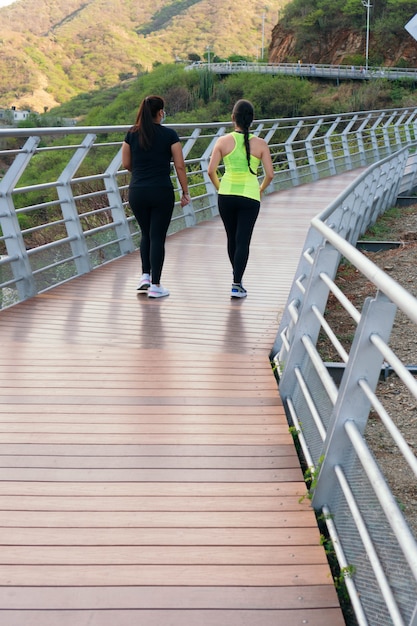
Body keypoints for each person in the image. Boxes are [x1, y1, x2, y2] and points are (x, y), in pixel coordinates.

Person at [122, 95, 190, 298]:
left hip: (138, 191)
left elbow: (126, 163)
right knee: (157, 237)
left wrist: (142, 174)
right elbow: (179, 165)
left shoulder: (131, 134)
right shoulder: (170, 135)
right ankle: (156, 285)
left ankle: (145, 276)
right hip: (161, 190)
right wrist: (185, 192)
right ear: (160, 112)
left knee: (146, 234)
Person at [207, 99, 274, 298]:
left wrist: (221, 189)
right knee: (243, 240)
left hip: (226, 195)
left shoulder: (222, 141)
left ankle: (237, 277)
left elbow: (211, 171)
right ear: (252, 120)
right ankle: (237, 283)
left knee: (231, 239)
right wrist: (260, 189)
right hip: (250, 197)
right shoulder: (261, 144)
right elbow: (270, 174)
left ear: (232, 118)